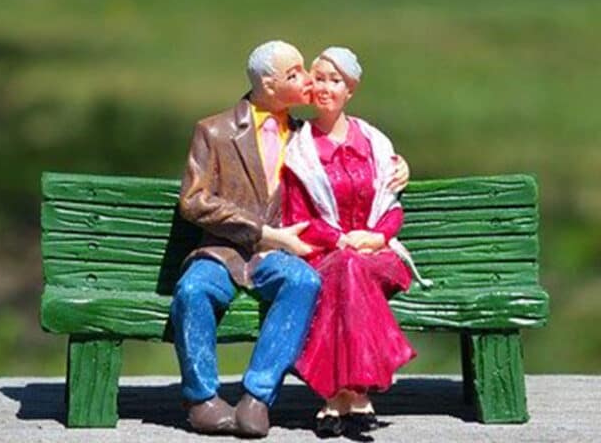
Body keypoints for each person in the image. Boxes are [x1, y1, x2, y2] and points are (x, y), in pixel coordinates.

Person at [171, 41, 409, 438]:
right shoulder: (214, 131)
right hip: (224, 250)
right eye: (296, 74)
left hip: (280, 257)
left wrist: (400, 167)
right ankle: (202, 400)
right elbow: (193, 201)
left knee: (304, 282)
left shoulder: (305, 135)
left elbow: (356, 157)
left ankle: (258, 396)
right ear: (269, 84)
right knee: (193, 290)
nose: (309, 82)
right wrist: (263, 233)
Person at [281, 47, 423, 437]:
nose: (326, 88)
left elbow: (392, 205)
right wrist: (340, 239)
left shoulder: (374, 142)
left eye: (335, 80)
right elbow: (297, 218)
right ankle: (355, 394)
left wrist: (377, 236)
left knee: (350, 270)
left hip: (379, 256)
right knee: (345, 269)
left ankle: (333, 397)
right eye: (319, 79)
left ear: (350, 90)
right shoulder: (299, 150)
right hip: (326, 255)